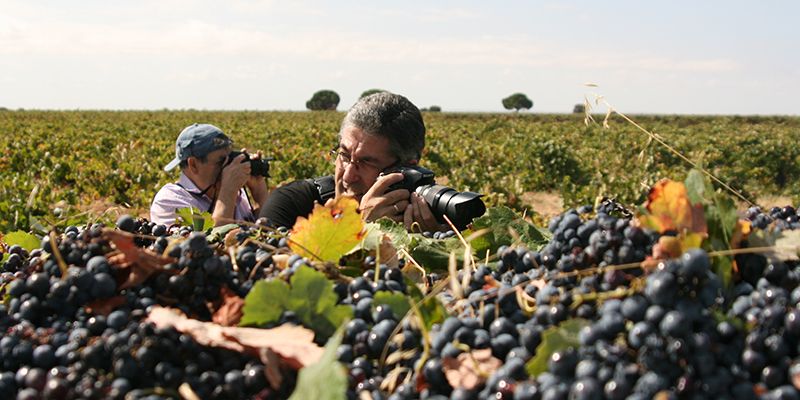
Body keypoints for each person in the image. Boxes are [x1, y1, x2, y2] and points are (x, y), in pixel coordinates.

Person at [260, 92, 442, 232]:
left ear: (407, 169)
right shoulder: (292, 203)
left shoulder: (433, 214)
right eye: (344, 156)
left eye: (366, 162)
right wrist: (363, 228)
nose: (347, 176)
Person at [150, 123, 269, 227]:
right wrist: (228, 191)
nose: (229, 168)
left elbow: (264, 232)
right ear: (193, 165)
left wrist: (260, 194)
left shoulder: (238, 195)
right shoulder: (170, 200)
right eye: (221, 162)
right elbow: (206, 242)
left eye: (230, 159)